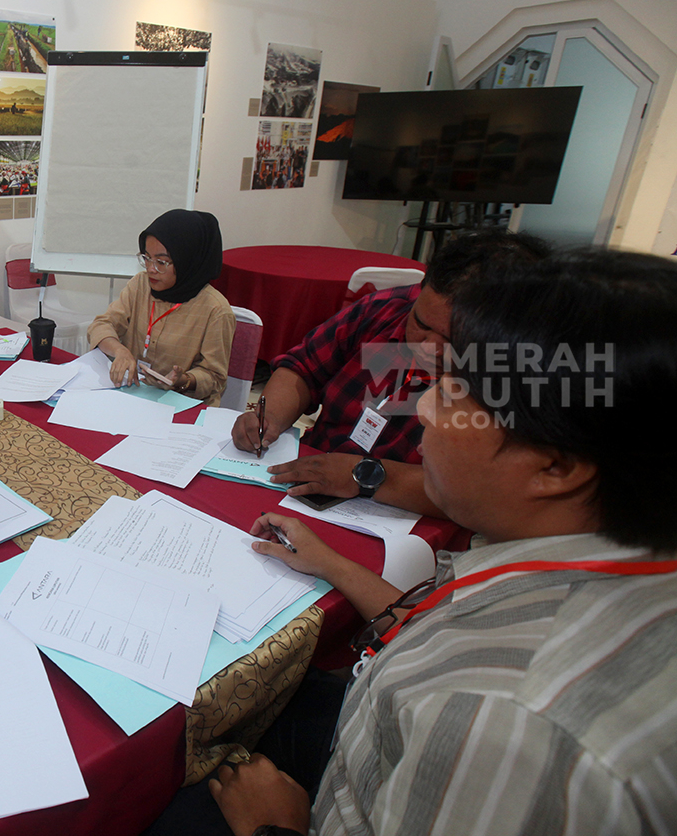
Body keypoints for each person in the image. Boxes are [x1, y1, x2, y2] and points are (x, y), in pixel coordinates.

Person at [186, 249, 677, 836]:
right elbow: (442, 621)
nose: (422, 406)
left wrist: (277, 829)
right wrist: (331, 562)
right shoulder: (583, 562)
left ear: (555, 465)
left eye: (453, 394)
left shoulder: (507, 724)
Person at [231, 231, 550, 515]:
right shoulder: (385, 309)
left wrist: (365, 476)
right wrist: (267, 418)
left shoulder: (525, 374)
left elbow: (483, 494)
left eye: (455, 340)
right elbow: (303, 368)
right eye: (422, 325)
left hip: (404, 518)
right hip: (311, 478)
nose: (430, 348)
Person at [88, 209, 236, 405]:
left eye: (161, 262)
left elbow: (215, 378)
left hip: (181, 407)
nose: (150, 269)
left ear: (187, 261)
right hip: (134, 396)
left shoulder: (216, 311)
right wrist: (120, 351)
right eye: (147, 257)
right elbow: (102, 324)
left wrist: (184, 381)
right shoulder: (140, 285)